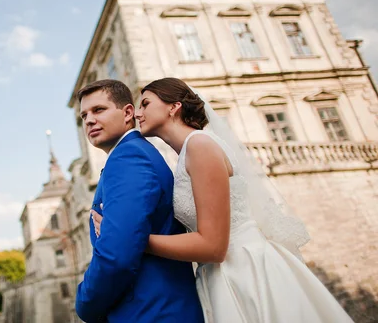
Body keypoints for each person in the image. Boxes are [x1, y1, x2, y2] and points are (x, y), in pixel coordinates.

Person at [92, 77, 353, 322]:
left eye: (145, 104)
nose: (137, 114)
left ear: (174, 107)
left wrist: (130, 239)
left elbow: (213, 246)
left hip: (245, 271)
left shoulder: (200, 146)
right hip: (220, 274)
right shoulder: (186, 155)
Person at [74, 79, 204, 323]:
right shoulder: (131, 155)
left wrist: (84, 304)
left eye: (99, 110)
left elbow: (116, 255)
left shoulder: (129, 157)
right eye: (84, 115)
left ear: (127, 113)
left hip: (151, 311)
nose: (89, 120)